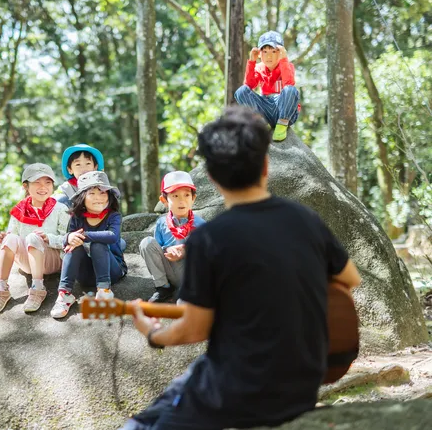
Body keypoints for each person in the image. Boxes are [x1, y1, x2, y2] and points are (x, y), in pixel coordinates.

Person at [122, 106, 361, 429]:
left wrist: (151, 332)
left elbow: (194, 329)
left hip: (234, 391)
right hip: (301, 386)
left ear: (210, 178)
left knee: (139, 425)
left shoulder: (209, 239)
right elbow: (350, 279)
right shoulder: (304, 219)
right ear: (265, 165)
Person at [0, 163, 70, 315]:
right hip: (28, 264)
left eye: (47, 182)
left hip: (53, 260)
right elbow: (13, 234)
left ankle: (38, 288)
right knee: (10, 238)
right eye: (37, 182)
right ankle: (2, 289)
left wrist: (48, 238)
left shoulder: (60, 209)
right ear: (26, 186)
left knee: (33, 237)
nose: (43, 187)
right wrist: (5, 237)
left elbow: (67, 239)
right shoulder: (19, 210)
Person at [50, 171, 127, 319]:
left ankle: (104, 292)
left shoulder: (113, 216)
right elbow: (69, 238)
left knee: (98, 244)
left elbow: (113, 236)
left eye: (103, 193)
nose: (98, 197)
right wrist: (69, 237)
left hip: (112, 271)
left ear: (109, 197)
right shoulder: (77, 218)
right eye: (92, 193)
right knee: (73, 245)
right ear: (82, 197)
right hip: (85, 276)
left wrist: (85, 235)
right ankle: (64, 294)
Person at [139, 171, 205, 303]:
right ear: (164, 200)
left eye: (187, 195)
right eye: (175, 195)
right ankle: (163, 287)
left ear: (193, 199)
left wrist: (187, 250)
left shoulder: (201, 224)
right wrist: (167, 249)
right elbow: (156, 249)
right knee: (147, 242)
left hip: (191, 275)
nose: (182, 201)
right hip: (170, 269)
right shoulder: (161, 223)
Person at [234, 30, 299, 142]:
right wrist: (251, 62)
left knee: (291, 90)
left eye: (274, 51)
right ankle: (262, 123)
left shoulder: (287, 66)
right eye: (265, 52)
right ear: (260, 54)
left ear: (281, 52)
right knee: (241, 91)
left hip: (283, 109)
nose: (269, 56)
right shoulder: (259, 68)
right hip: (266, 110)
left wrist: (284, 60)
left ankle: (282, 124)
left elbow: (289, 83)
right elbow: (249, 85)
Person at [54, 143, 104, 208]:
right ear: (70, 169)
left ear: (95, 167)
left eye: (88, 163)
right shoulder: (66, 188)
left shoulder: (101, 186)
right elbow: (54, 200)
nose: (83, 168)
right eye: (78, 164)